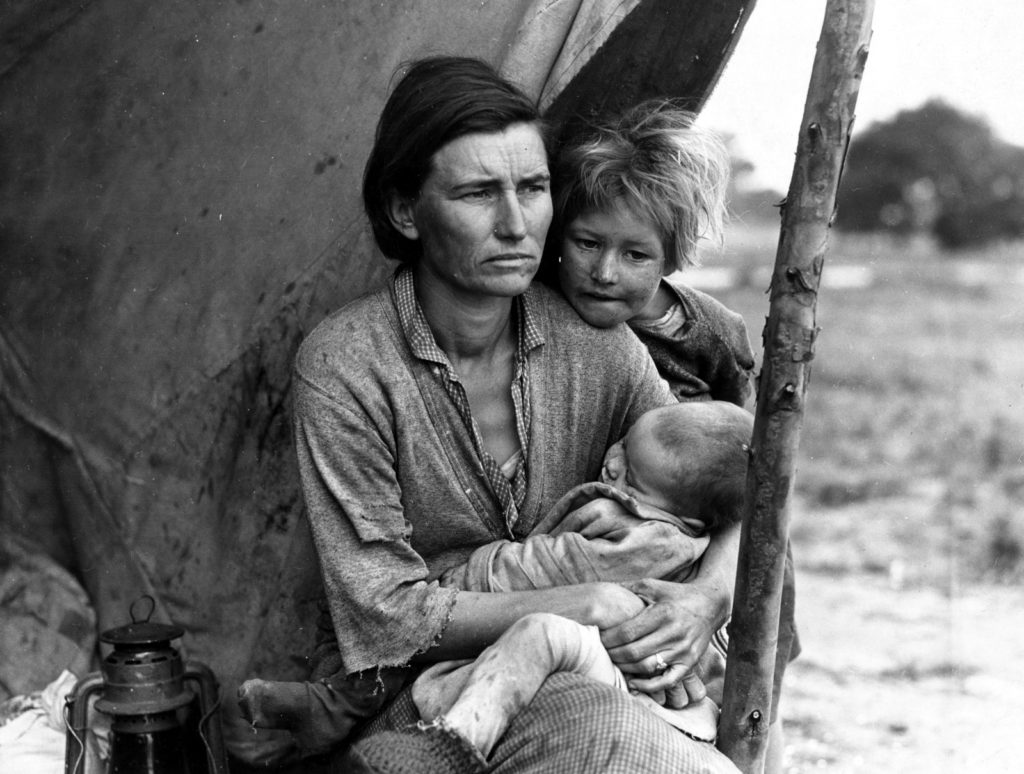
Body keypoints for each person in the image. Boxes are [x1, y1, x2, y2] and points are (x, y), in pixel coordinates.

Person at [274, 57, 743, 773]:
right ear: (406, 210)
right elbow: (387, 614)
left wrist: (706, 599)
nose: (517, 224)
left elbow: (735, 490)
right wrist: (582, 601)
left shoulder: (600, 346)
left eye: (532, 188)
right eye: (477, 193)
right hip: (429, 688)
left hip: (598, 667)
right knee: (608, 738)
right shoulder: (346, 365)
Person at [546, 99, 799, 773]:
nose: (604, 272)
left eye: (636, 254)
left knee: (749, 685)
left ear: (673, 256)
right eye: (587, 243)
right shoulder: (541, 315)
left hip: (709, 542)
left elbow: (754, 480)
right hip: (617, 538)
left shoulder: (710, 334)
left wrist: (712, 594)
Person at [411, 400, 755, 766]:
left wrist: (472, 574)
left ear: (690, 518)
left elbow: (545, 568)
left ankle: (450, 750)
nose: (612, 464)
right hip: (677, 699)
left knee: (540, 636)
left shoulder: (645, 540)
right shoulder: (682, 504)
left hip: (638, 692)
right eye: (624, 443)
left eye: (631, 479)